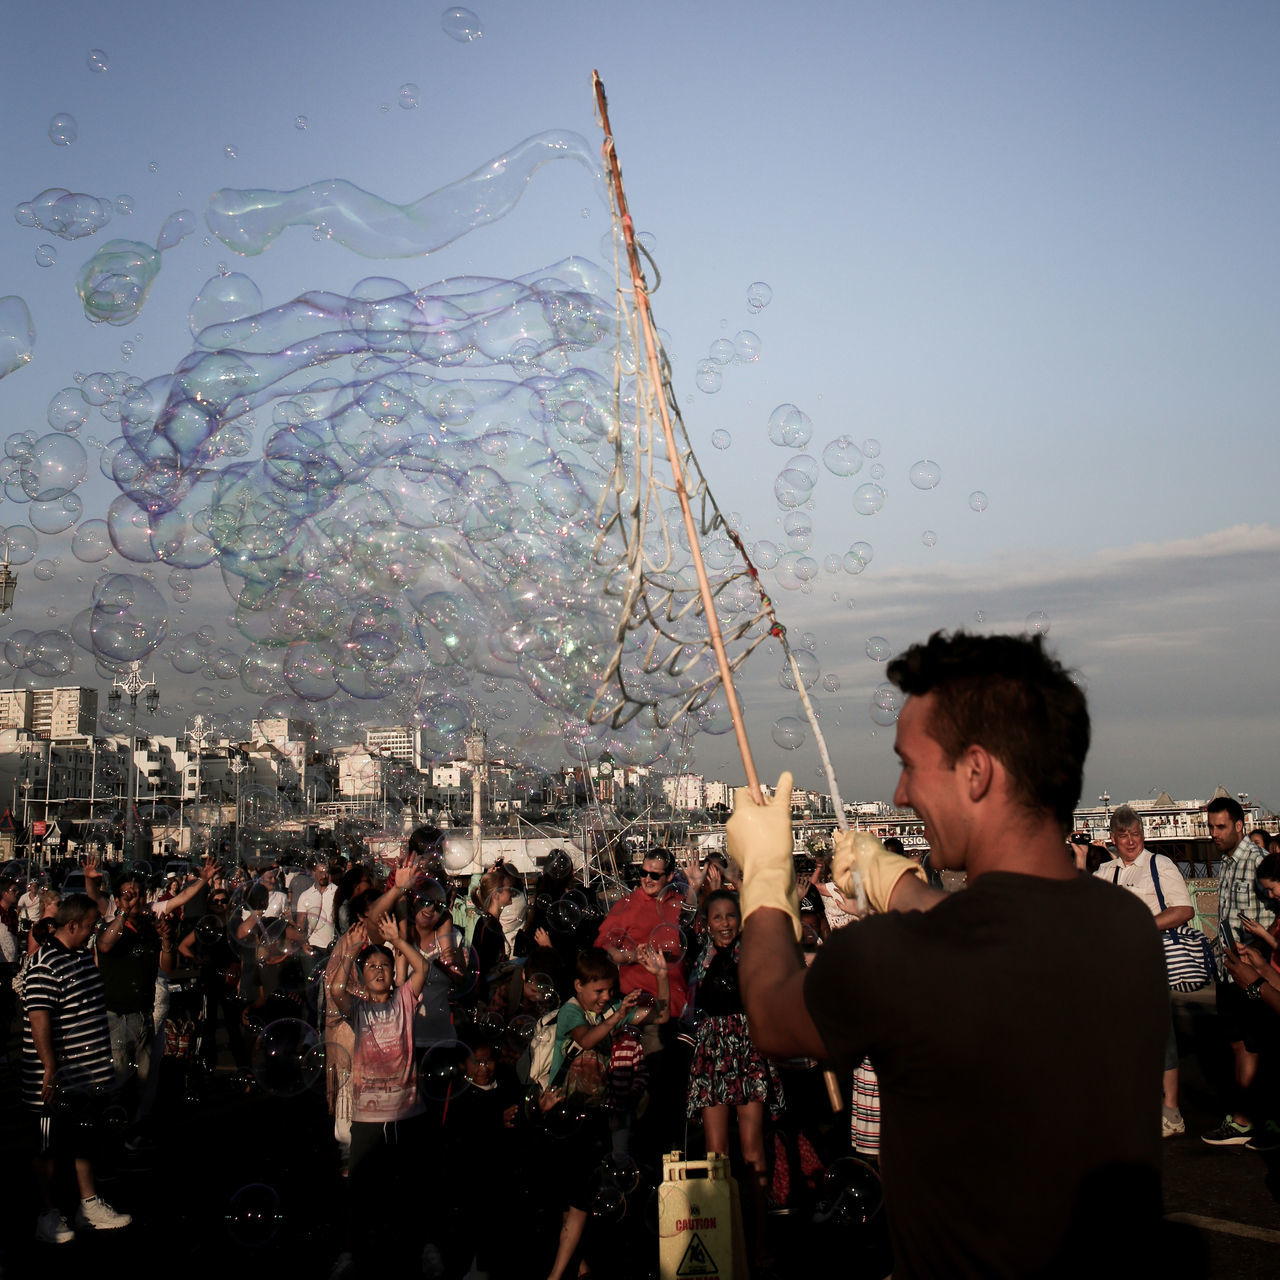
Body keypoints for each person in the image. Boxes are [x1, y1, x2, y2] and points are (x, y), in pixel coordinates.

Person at [733, 630, 1171, 1278]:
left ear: (976, 771)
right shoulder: (1128, 927)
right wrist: (899, 885)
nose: (900, 793)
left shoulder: (893, 962)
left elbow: (770, 1013)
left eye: (909, 764)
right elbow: (996, 940)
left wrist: (764, 882)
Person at [22, 893, 132, 1242]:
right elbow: (39, 1019)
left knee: (85, 1138)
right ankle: (48, 1213)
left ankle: (88, 1205)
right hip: (54, 1076)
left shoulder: (82, 957)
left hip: (86, 1074)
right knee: (48, 1146)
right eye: (88, 926)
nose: (92, 931)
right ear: (71, 925)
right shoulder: (45, 964)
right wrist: (50, 1067)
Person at [685, 889, 783, 1265]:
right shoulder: (699, 957)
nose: (724, 924)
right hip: (712, 1050)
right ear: (706, 924)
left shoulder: (755, 952)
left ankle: (759, 1246)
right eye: (717, 918)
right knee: (716, 1155)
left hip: (748, 1048)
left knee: (753, 1151)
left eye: (730, 917)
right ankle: (724, 1243)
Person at [1094, 805, 1194, 1137]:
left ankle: (1171, 1113)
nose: (1131, 841)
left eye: (1136, 834)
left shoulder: (1159, 864)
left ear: (1143, 834)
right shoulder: (1106, 872)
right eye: (1123, 836)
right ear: (1113, 838)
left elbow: (1184, 909)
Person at [1203, 795, 1278, 1147]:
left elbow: (1276, 913)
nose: (1213, 834)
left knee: (1259, 1044)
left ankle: (1259, 1121)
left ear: (1239, 825)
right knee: (1239, 1044)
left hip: (1253, 971)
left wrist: (1260, 957)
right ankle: (1246, 1119)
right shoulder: (1228, 862)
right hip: (1228, 970)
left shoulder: (1258, 862)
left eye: (1220, 827)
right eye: (1210, 827)